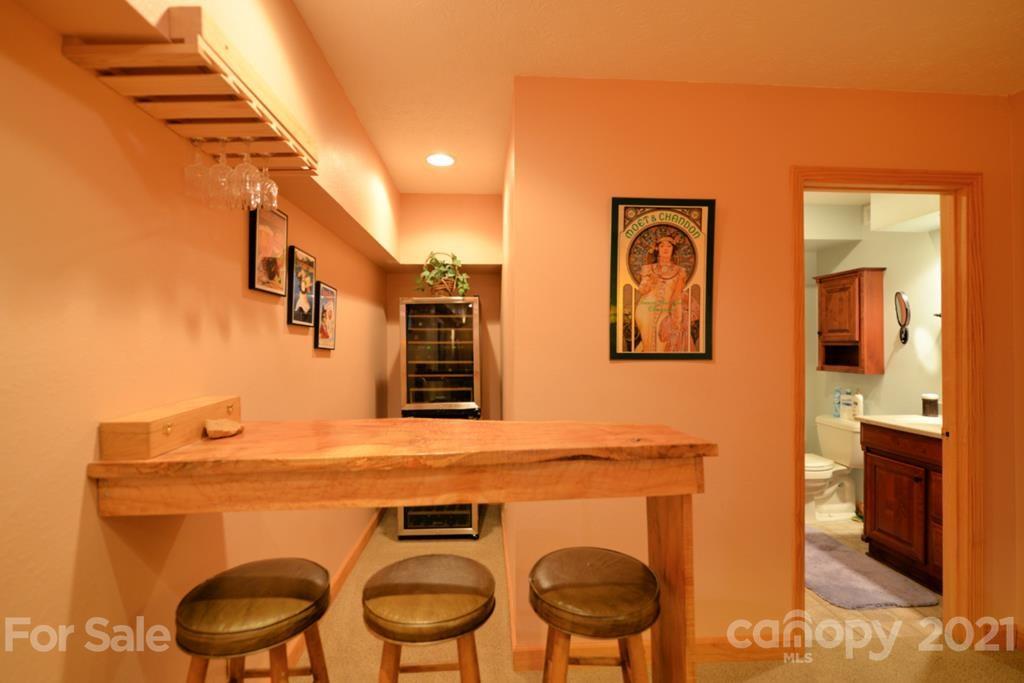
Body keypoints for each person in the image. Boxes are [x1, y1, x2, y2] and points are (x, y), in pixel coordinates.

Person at [634, 235, 700, 352]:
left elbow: (677, 294)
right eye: (662, 246)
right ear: (657, 249)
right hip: (646, 309)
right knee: (648, 343)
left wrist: (676, 316)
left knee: (662, 340)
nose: (665, 249)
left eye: (669, 246)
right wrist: (648, 281)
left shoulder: (680, 271)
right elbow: (642, 290)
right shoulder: (648, 268)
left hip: (667, 308)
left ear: (673, 250)